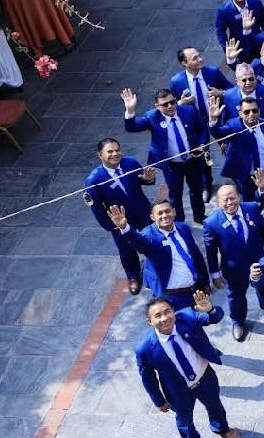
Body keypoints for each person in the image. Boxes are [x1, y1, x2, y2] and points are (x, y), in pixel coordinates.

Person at [134, 291, 242, 438]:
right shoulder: (144, 348)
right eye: (158, 316)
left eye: (167, 312)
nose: (164, 318)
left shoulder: (187, 317)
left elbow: (215, 318)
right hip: (178, 390)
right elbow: (148, 378)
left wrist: (210, 309)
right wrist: (159, 401)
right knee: (184, 419)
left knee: (215, 405)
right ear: (149, 321)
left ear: (173, 311)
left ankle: (222, 428)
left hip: (204, 378)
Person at [122, 87, 210, 225]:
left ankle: (199, 215)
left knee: (196, 189)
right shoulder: (152, 117)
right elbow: (132, 127)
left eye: (172, 102)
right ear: (157, 106)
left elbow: (202, 130)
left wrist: (202, 144)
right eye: (165, 104)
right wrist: (130, 110)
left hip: (192, 160)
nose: (170, 106)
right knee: (175, 194)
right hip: (172, 165)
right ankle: (178, 221)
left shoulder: (188, 111)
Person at [108, 200, 210, 312]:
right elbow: (139, 243)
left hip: (195, 292)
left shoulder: (183, 228)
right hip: (171, 297)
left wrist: (205, 282)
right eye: (160, 213)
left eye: (167, 211)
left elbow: (196, 256)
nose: (164, 215)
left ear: (174, 212)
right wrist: (125, 227)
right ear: (152, 217)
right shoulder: (149, 235)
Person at [201, 184, 264, 342]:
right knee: (236, 297)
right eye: (225, 200)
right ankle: (238, 322)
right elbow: (211, 252)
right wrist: (215, 275)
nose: (229, 202)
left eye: (232, 198)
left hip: (258, 261)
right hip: (234, 268)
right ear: (219, 202)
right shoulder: (211, 223)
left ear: (239, 197)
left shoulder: (252, 209)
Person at [86, 138, 153, 296]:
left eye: (117, 150)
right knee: (126, 249)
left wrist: (148, 179)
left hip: (143, 211)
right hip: (120, 219)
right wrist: (111, 225)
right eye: (110, 151)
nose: (115, 154)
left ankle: (158, 262)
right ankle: (133, 276)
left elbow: (141, 180)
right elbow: (96, 207)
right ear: (100, 155)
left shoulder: (131, 163)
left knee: (152, 238)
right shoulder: (94, 179)